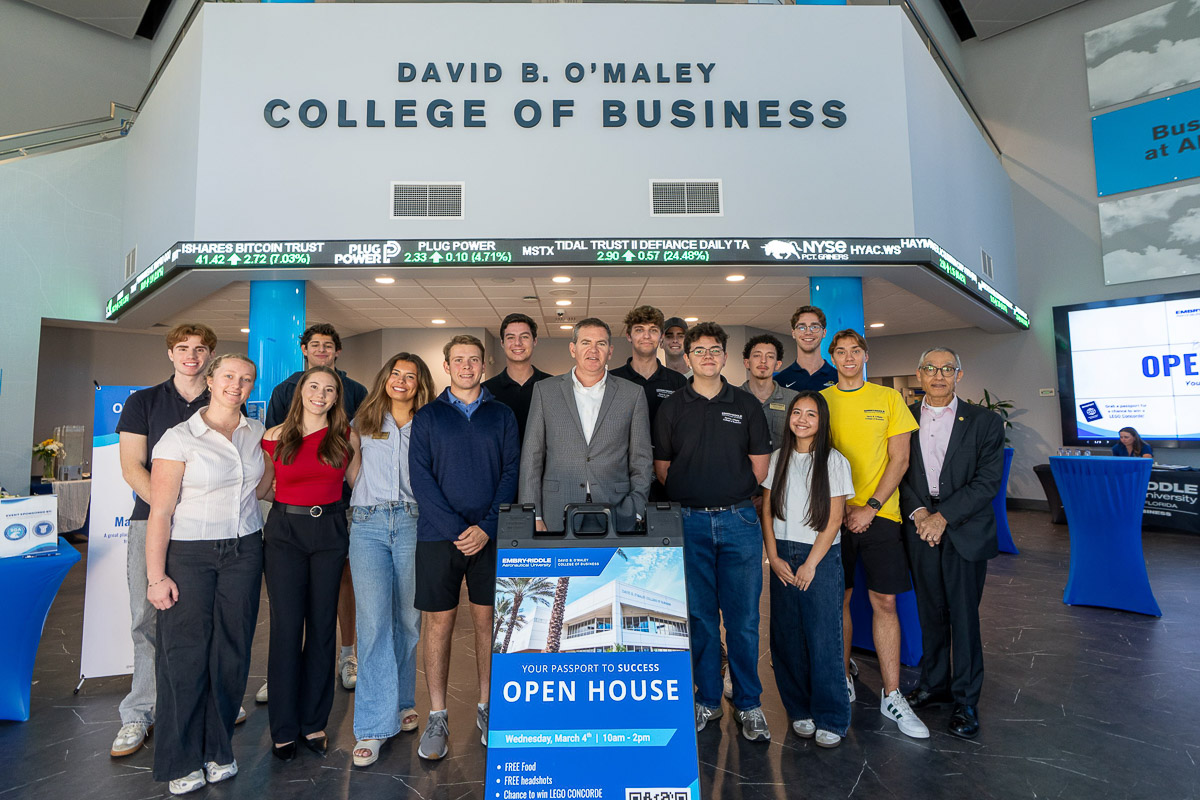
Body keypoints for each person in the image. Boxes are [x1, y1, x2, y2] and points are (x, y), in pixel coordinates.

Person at [113, 323, 241, 759]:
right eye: (183, 348)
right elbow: (132, 467)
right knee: (147, 617)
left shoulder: (224, 399)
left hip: (208, 538)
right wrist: (171, 512)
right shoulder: (143, 402)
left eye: (201, 349)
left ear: (211, 358)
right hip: (151, 522)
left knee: (207, 621)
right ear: (170, 353)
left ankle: (207, 702)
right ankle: (140, 711)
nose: (191, 355)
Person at [145, 354, 271, 795]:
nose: (237, 384)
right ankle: (180, 759)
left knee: (232, 653)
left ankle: (219, 749)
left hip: (244, 550)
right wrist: (156, 576)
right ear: (211, 380)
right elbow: (160, 512)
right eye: (229, 376)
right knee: (184, 656)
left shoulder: (256, 433)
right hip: (190, 554)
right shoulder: (179, 438)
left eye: (246, 379)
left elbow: (261, 486)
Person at [653, 322, 773, 742]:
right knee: (700, 619)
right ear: (686, 357)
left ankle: (749, 703)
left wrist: (729, 492)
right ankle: (706, 699)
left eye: (715, 350)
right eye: (699, 350)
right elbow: (663, 469)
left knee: (744, 621)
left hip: (740, 522)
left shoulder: (746, 404)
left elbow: (760, 468)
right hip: (689, 523)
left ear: (725, 356)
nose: (707, 356)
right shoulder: (672, 407)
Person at [409, 335, 520, 761]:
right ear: (447, 365)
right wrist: (459, 530)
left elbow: (511, 473)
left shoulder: (502, 415)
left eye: (474, 360)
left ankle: (488, 707)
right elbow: (421, 479)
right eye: (459, 360)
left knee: (487, 623)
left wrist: (486, 528)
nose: (467, 366)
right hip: (439, 536)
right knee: (438, 625)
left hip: (490, 537)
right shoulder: (428, 416)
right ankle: (437, 715)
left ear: (484, 364)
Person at [820, 329, 928, 739]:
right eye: (841, 351)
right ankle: (843, 676)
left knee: (885, 601)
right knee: (839, 599)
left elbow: (899, 460)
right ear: (832, 358)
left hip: (881, 515)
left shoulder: (889, 399)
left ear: (866, 355)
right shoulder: (822, 402)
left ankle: (892, 693)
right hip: (834, 515)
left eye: (856, 350)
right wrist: (842, 508)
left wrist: (871, 507)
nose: (849, 357)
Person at [900, 348, 1005, 740]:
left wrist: (943, 517)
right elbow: (897, 471)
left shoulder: (984, 421)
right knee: (930, 612)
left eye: (947, 369)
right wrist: (920, 514)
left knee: (963, 617)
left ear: (959, 375)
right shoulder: (903, 418)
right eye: (930, 368)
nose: (938, 375)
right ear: (919, 374)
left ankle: (965, 699)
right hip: (920, 527)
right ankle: (934, 685)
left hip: (964, 529)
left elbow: (987, 481)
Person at [260, 365, 360, 761]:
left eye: (329, 389)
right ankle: (284, 728)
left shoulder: (346, 436)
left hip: (330, 532)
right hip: (285, 533)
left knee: (321, 627)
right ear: (301, 390)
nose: (320, 394)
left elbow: (361, 484)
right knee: (286, 629)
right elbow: (263, 487)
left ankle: (313, 721)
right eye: (314, 386)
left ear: (337, 398)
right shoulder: (274, 436)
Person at [264, 322, 368, 696]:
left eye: (328, 345)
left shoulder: (356, 393)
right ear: (304, 350)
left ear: (337, 351)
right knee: (288, 612)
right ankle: (283, 677)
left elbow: (361, 462)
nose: (320, 395)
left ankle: (346, 655)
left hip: (338, 510)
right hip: (289, 515)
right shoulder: (283, 394)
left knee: (335, 596)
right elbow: (271, 460)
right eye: (315, 344)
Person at [348, 353, 435, 768]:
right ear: (385, 379)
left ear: (420, 384)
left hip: (414, 523)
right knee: (374, 623)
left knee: (407, 621)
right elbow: (352, 470)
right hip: (368, 524)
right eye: (395, 374)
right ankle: (372, 725)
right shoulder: (363, 421)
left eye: (410, 376)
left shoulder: (430, 423)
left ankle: (401, 701)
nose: (401, 381)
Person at [762, 392, 855, 748]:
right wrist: (773, 556)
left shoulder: (834, 461)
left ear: (822, 420)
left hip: (820, 556)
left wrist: (811, 564)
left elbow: (834, 520)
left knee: (823, 637)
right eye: (797, 412)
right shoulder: (777, 458)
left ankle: (831, 716)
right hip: (783, 554)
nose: (801, 419)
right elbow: (767, 511)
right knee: (787, 636)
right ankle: (799, 709)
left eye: (811, 414)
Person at [520, 318, 652, 533]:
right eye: (586, 342)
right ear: (573, 349)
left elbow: (641, 458)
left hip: (617, 510)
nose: (593, 350)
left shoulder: (632, 393)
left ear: (610, 351)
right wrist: (533, 513)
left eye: (601, 343)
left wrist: (636, 508)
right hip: (557, 510)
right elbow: (532, 456)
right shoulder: (545, 391)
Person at [610, 305, 688, 424]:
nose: (646, 336)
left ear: (661, 336)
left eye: (653, 330)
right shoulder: (612, 380)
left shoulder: (678, 382)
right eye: (639, 330)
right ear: (629, 336)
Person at [482, 313, 552, 444]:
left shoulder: (553, 387)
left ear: (534, 341)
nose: (517, 343)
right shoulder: (485, 391)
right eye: (510, 337)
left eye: (524, 337)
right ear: (502, 343)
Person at [741, 333, 799, 449]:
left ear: (778, 364)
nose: (763, 361)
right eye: (757, 355)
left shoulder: (794, 400)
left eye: (770, 356)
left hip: (781, 461)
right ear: (747, 363)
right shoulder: (733, 398)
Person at [775, 306, 839, 392]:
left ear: (824, 332)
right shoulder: (779, 382)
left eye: (814, 327)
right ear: (793, 333)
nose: (808, 332)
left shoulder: (839, 379)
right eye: (801, 327)